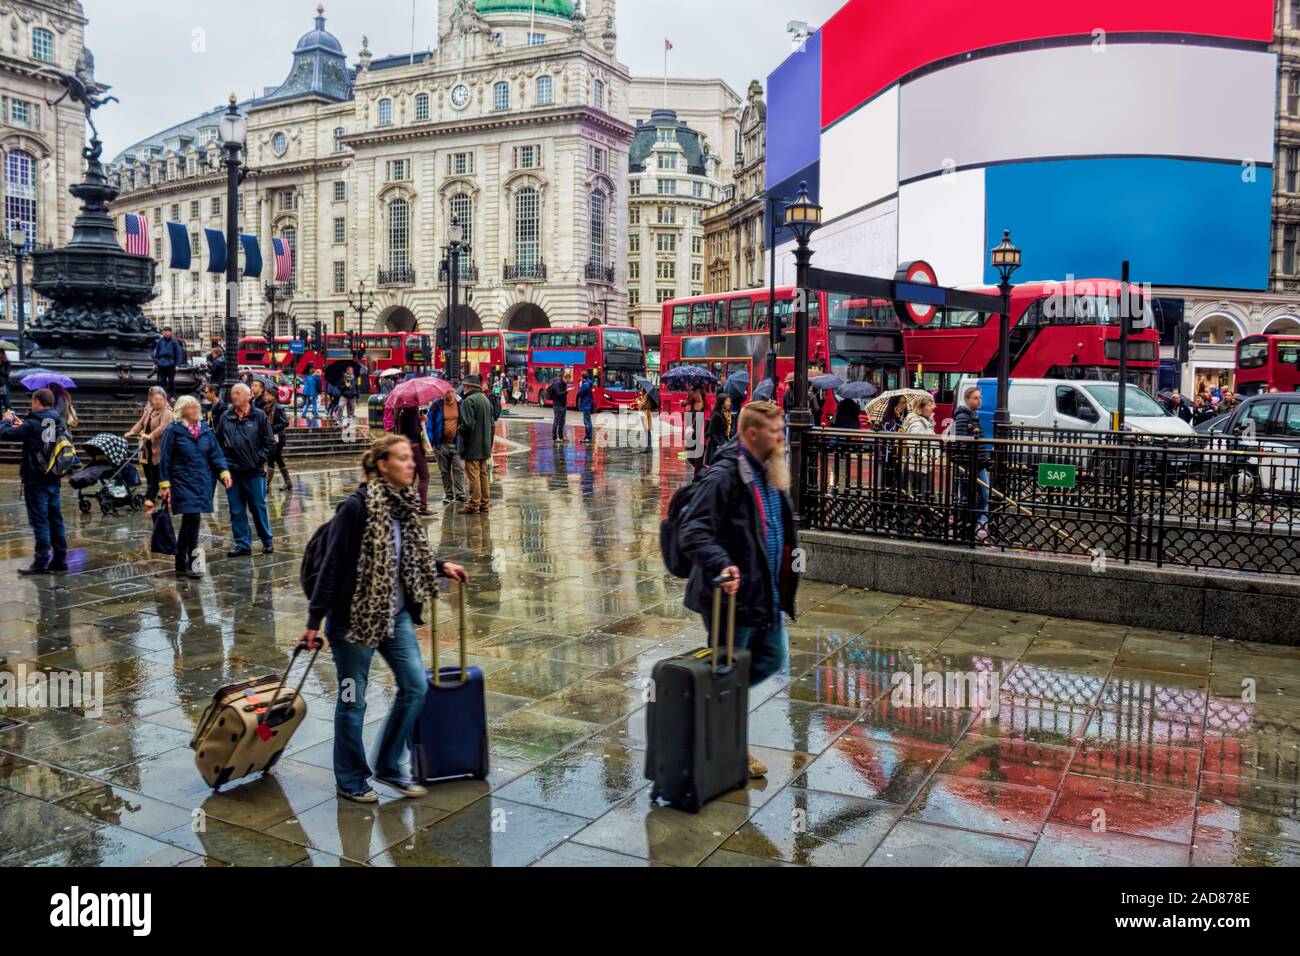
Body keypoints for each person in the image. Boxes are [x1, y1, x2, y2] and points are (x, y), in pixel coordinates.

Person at [302, 434, 469, 802]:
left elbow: (407, 556)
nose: (412, 464)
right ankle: (350, 779)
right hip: (352, 625)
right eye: (404, 458)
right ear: (382, 465)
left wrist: (442, 566)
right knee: (352, 700)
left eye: (412, 458)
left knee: (415, 687)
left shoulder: (404, 506)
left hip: (395, 617)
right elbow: (330, 568)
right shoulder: (356, 508)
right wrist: (314, 623)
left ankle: (391, 766)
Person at [678, 401, 798, 780]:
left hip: (764, 592)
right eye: (775, 430)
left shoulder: (767, 469)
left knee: (770, 658)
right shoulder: (725, 476)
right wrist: (723, 564)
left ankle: (710, 704)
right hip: (731, 594)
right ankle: (730, 744)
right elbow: (693, 530)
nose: (782, 436)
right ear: (751, 434)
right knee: (731, 669)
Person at [158, 395, 232, 580]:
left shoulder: (205, 430)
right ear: (182, 411)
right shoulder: (174, 431)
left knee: (194, 520)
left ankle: (187, 563)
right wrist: (165, 484)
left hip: (202, 481)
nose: (196, 409)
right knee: (191, 518)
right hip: (182, 481)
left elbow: (216, 455)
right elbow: (165, 459)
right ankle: (186, 563)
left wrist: (224, 473)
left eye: (197, 406)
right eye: (191, 407)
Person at [0, 389, 69, 576]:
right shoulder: (58, 420)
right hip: (53, 476)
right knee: (55, 518)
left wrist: (6, 419)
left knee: (40, 521)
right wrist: (25, 427)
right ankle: (60, 559)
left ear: (37, 401)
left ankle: (40, 562)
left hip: (35, 479)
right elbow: (45, 439)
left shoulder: (33, 423)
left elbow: (5, 434)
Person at [215, 383, 276, 557]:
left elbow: (270, 444)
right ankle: (242, 544)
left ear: (248, 396)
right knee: (236, 509)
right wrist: (223, 465)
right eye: (233, 394)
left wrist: (256, 460)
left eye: (238, 393)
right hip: (233, 472)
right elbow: (218, 443)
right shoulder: (225, 417)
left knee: (258, 507)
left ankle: (267, 540)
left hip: (254, 472)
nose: (234, 397)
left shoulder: (259, 416)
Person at [124, 386, 173, 512]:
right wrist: (131, 431)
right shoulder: (150, 410)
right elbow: (141, 423)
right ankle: (153, 493)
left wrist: (150, 435)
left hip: (159, 447)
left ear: (164, 399)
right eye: (155, 399)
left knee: (156, 472)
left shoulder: (167, 412)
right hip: (147, 446)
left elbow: (163, 427)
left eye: (160, 399)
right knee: (149, 470)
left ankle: (150, 497)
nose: (157, 402)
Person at [953, 386, 992, 541]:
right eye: (975, 398)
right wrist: (974, 461)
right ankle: (971, 526)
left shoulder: (974, 415)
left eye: (979, 397)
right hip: (971, 464)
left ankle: (976, 525)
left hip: (977, 463)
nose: (979, 400)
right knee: (973, 496)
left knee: (981, 495)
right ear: (967, 400)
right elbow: (963, 443)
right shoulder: (963, 417)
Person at [458, 374, 495, 515]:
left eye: (465, 386)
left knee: (473, 474)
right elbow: (492, 425)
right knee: (483, 474)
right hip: (485, 444)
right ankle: (484, 503)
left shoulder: (468, 401)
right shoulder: (485, 400)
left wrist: (459, 429)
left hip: (472, 444)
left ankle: (474, 504)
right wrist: (489, 444)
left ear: (470, 387)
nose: (464, 388)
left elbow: (467, 424)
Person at [426, 389, 468, 506]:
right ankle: (449, 494)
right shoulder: (436, 406)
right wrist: (432, 442)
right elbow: (429, 424)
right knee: (444, 471)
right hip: (441, 444)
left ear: (455, 393)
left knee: (459, 469)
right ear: (442, 393)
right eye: (447, 392)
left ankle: (460, 494)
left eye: (452, 392)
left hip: (457, 444)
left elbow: (466, 422)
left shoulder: (461, 404)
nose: (449, 394)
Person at [397, 405, 432, 514]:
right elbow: (415, 431)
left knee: (410, 477)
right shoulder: (411, 410)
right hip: (415, 447)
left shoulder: (402, 410)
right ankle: (421, 506)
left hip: (407, 447)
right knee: (424, 476)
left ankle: (406, 504)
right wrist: (422, 422)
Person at [257, 382, 292, 491]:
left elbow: (285, 422)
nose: (265, 397)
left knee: (273, 458)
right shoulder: (266, 407)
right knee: (276, 458)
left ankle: (267, 484)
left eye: (267, 395)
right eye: (265, 395)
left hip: (278, 437)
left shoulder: (278, 408)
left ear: (274, 396)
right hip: (270, 437)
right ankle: (287, 482)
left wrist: (271, 429)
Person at [152, 327, 185, 397]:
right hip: (161, 364)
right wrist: (155, 363)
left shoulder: (174, 341)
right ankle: (163, 396)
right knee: (161, 381)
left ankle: (172, 396)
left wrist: (178, 365)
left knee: (171, 381)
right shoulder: (160, 341)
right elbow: (156, 352)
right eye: (164, 332)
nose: (165, 334)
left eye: (167, 332)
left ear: (170, 332)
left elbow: (179, 353)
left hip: (171, 364)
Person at [704, 391, 734, 468]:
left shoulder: (728, 415)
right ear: (722, 403)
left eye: (730, 401)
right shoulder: (716, 415)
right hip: (715, 445)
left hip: (724, 442)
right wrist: (718, 444)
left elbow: (728, 431)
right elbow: (710, 432)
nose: (729, 403)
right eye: (727, 401)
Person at [548, 373, 569, 442]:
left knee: (562, 422)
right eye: (568, 380)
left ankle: (561, 436)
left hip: (563, 405)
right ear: (564, 378)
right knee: (556, 422)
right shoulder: (557, 384)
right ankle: (554, 437)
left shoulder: (564, 384)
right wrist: (567, 391)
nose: (568, 381)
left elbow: (563, 394)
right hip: (557, 405)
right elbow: (558, 394)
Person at [300, 363, 321, 428]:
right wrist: (311, 395)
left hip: (306, 393)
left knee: (307, 404)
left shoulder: (308, 377)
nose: (316, 373)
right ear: (313, 373)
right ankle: (316, 415)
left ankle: (303, 414)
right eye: (315, 372)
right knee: (314, 404)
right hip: (311, 393)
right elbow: (312, 387)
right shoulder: (312, 379)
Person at [634, 384, 653, 453]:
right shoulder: (645, 396)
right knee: (646, 431)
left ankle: (648, 447)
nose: (641, 390)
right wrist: (640, 399)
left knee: (647, 431)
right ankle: (648, 447)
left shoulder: (647, 396)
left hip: (645, 414)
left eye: (642, 389)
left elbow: (642, 406)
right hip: (644, 414)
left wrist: (638, 402)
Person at [577, 371, 595, 443]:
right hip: (587, 404)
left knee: (587, 421)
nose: (580, 378)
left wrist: (580, 385)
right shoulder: (589, 383)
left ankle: (588, 437)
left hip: (586, 405)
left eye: (581, 376)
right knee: (587, 421)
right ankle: (587, 436)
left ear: (583, 377)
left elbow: (579, 393)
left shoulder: (585, 385)